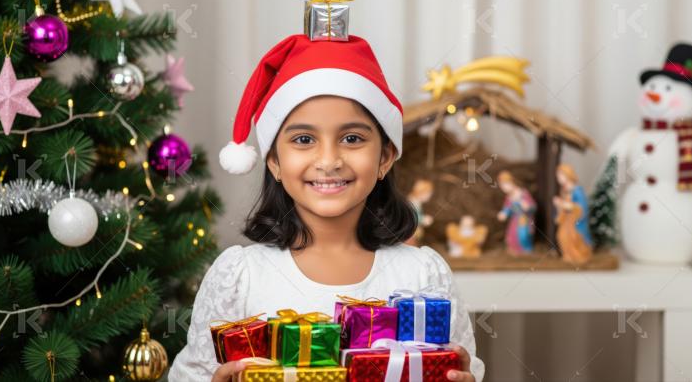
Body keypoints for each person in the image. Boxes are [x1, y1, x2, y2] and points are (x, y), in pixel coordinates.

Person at [168, 33, 485, 382]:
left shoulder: (424, 276)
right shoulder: (239, 277)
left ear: (385, 157)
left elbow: (463, 367)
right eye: (304, 140)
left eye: (352, 139)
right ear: (273, 160)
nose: (329, 160)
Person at [496, 171, 536, 255]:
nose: (503, 188)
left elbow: (533, 207)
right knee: (511, 236)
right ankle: (516, 252)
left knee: (523, 235)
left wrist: (527, 207)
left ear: (512, 182)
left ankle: (527, 251)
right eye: (501, 186)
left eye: (505, 184)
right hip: (515, 220)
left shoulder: (523, 193)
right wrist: (504, 213)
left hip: (524, 219)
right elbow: (507, 208)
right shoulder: (509, 197)